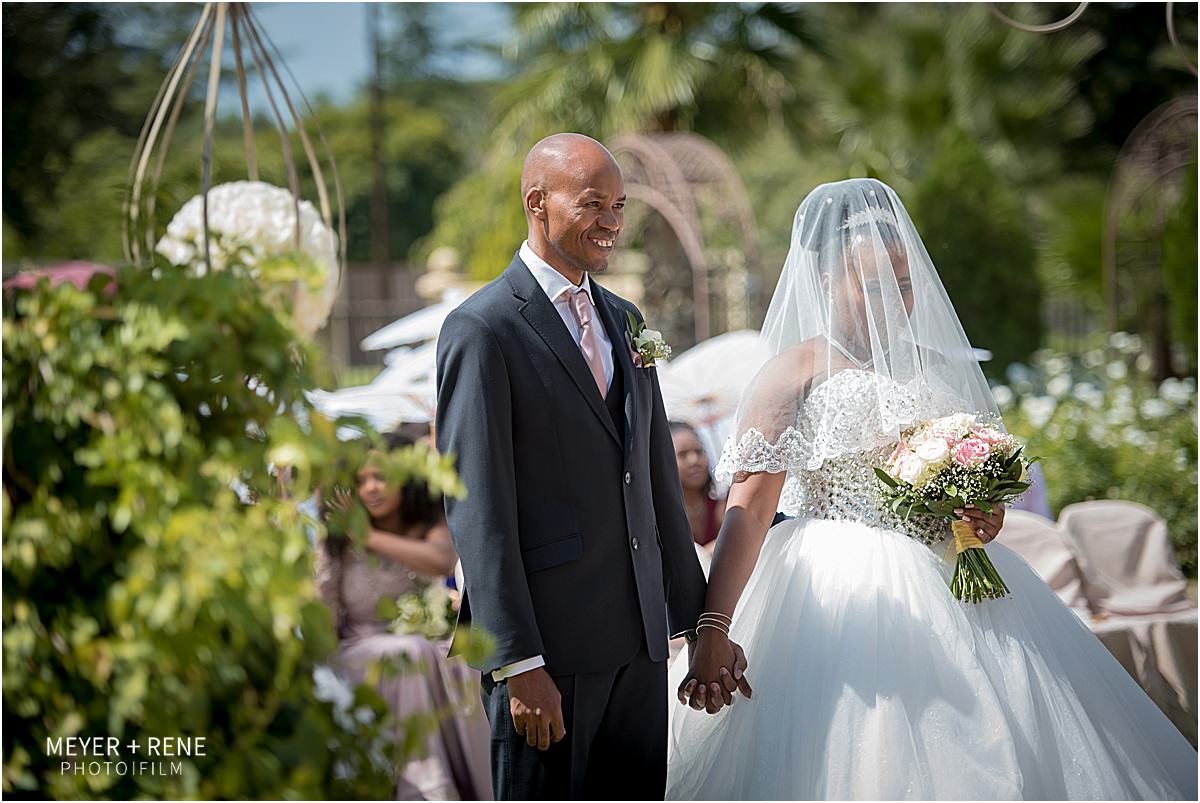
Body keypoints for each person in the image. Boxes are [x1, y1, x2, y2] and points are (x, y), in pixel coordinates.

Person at [666, 178, 1197, 800]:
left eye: (905, 283)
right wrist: (713, 626)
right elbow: (750, 514)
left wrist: (978, 513)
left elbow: (961, 485)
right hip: (835, 586)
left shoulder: (931, 364)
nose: (894, 298)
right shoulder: (790, 374)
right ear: (827, 281)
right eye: (872, 285)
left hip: (953, 578)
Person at [435, 133, 748, 800]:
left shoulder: (627, 319)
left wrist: (697, 629)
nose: (612, 221)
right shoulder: (482, 328)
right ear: (538, 203)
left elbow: (659, 482)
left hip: (640, 653)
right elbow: (478, 506)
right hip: (548, 658)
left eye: (620, 205)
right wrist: (518, 661)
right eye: (594, 203)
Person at [315, 431, 492, 800]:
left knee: (464, 659)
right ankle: (425, 788)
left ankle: (485, 786)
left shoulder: (426, 521)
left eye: (382, 477)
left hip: (422, 641)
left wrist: (366, 538)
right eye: (362, 481)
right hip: (359, 647)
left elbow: (442, 559)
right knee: (409, 655)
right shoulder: (335, 535)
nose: (371, 489)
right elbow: (323, 608)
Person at [670, 420, 726, 554]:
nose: (694, 460)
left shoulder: (720, 508)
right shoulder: (660, 516)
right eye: (682, 454)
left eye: (699, 451)